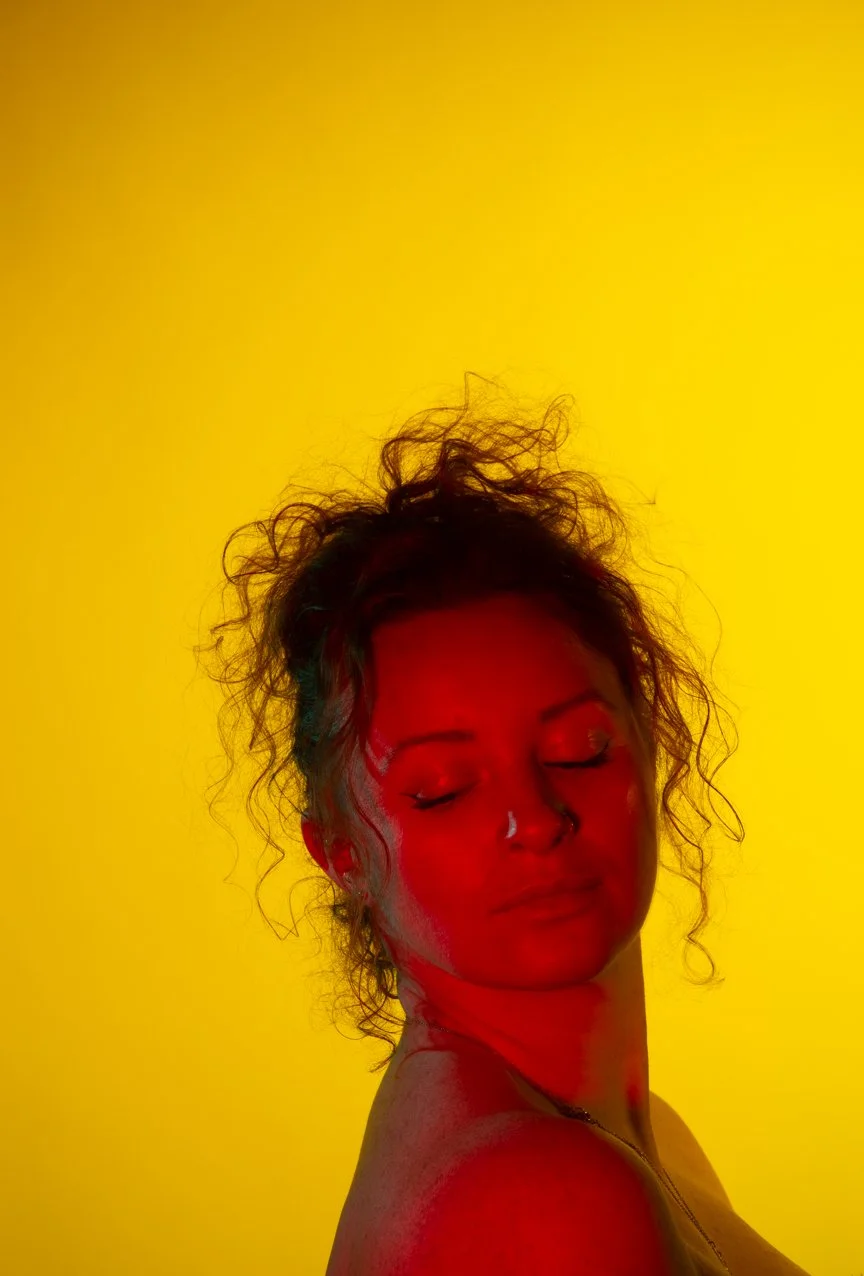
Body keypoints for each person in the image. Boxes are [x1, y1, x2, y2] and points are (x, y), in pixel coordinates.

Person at [197, 375, 812, 1274]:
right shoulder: (545, 1193)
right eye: (442, 790)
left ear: (652, 744)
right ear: (340, 852)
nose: (536, 818)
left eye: (578, 749)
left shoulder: (645, 1143)